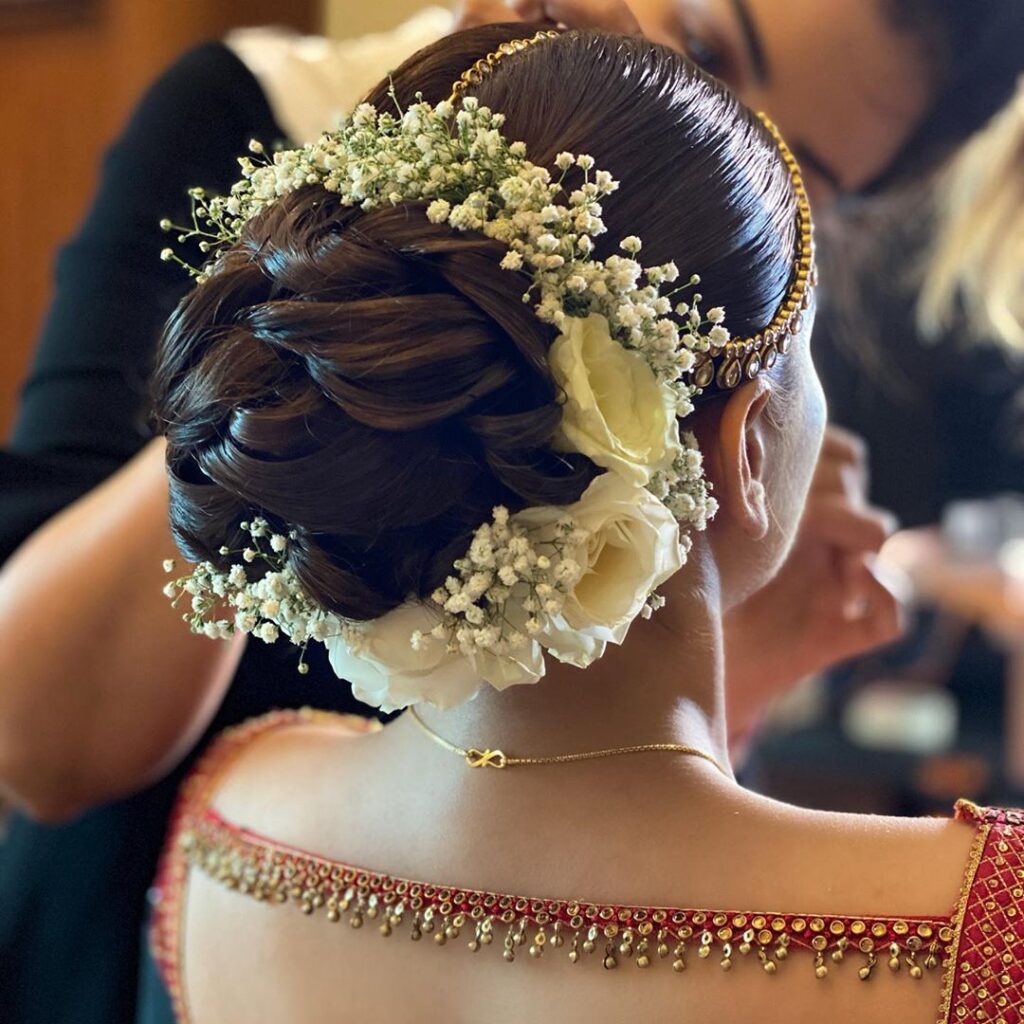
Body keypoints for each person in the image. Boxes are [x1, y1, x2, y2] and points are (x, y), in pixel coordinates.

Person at [0, 2, 1019, 1020]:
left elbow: (597, 792)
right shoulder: (977, 932)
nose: (709, 143)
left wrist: (716, 656)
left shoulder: (234, 817)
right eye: (703, 53)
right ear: (748, 443)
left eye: (792, 167)